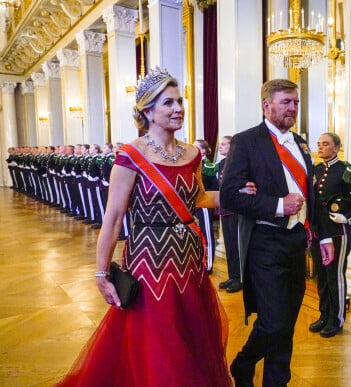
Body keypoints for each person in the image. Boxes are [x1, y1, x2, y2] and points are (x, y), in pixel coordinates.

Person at [56, 68, 232, 386]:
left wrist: (244, 196)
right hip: (149, 264)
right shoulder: (131, 155)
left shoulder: (191, 154)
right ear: (147, 110)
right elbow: (112, 218)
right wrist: (100, 274)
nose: (178, 108)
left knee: (189, 340)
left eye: (180, 101)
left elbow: (199, 199)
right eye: (168, 103)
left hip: (189, 262)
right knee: (159, 347)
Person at [220, 78, 322, 386]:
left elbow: (311, 195)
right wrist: (278, 204)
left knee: (288, 321)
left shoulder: (301, 142)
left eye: (296, 103)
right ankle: (243, 363)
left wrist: (321, 235)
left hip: (295, 242)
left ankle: (277, 381)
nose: (293, 108)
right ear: (267, 105)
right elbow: (230, 196)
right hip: (265, 243)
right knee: (273, 320)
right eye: (286, 102)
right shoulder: (247, 141)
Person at [308, 132, 351, 338]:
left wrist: (348, 218)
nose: (321, 147)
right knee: (321, 275)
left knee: (335, 275)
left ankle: (337, 318)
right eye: (318, 144)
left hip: (336, 230)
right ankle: (324, 315)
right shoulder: (314, 170)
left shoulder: (346, 171)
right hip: (318, 229)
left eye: (325, 144)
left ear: (336, 147)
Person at [216, 136, 243, 293]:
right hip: (224, 209)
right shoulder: (221, 164)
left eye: (224, 144)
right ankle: (232, 275)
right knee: (230, 245)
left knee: (237, 245)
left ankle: (240, 278)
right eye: (220, 144)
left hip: (236, 210)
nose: (220, 147)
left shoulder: (238, 163)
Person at [194, 139, 219, 274]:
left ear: (203, 151)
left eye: (196, 147)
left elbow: (212, 187)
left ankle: (208, 265)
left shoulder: (208, 166)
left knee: (207, 233)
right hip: (194, 205)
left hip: (204, 204)